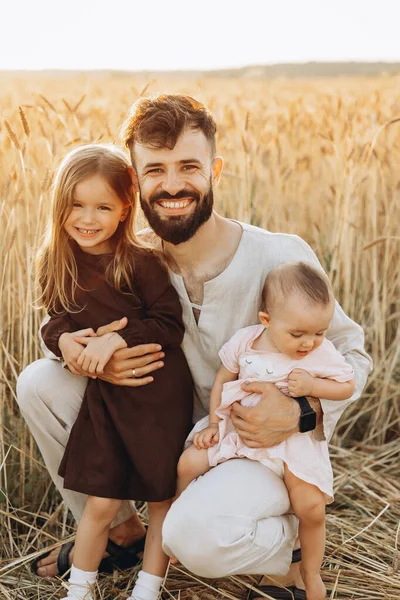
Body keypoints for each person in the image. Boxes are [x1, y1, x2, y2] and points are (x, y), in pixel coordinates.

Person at [17, 95, 372, 600]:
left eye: (189, 166)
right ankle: (122, 533)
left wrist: (301, 413)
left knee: (193, 536)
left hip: (250, 446)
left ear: (215, 170)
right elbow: (61, 314)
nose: (173, 184)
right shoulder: (128, 257)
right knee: (38, 382)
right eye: (156, 170)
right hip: (167, 431)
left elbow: (352, 354)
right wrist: (71, 348)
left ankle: (286, 550)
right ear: (136, 183)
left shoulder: (278, 255)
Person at [36, 144, 193, 600]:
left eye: (103, 206)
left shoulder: (140, 261)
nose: (88, 218)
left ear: (126, 208)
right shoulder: (56, 262)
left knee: (161, 498)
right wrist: (63, 342)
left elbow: (169, 323)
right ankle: (79, 591)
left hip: (156, 394)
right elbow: (57, 319)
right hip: (105, 400)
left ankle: (146, 590)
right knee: (102, 501)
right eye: (76, 205)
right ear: (59, 205)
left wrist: (116, 339)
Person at [176, 261, 355, 600]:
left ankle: (310, 571)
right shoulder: (247, 341)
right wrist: (214, 423)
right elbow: (222, 380)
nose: (309, 343)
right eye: (298, 334)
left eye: (319, 332)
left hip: (291, 444)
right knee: (188, 464)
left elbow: (346, 386)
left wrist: (314, 384)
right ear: (266, 321)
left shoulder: (321, 354)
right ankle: (174, 526)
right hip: (237, 433)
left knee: (310, 507)